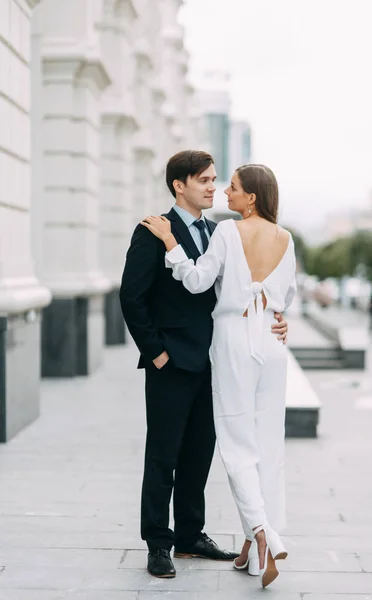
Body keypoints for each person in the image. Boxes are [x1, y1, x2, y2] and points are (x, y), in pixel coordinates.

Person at [119, 151, 289, 580]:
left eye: (217, 180)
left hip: (217, 361)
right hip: (171, 362)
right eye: (204, 180)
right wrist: (156, 351)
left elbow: (239, 289)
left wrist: (274, 318)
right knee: (163, 456)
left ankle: (191, 534)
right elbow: (131, 296)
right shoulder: (154, 230)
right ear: (179, 185)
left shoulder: (219, 232)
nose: (213, 188)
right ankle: (159, 542)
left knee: (200, 454)